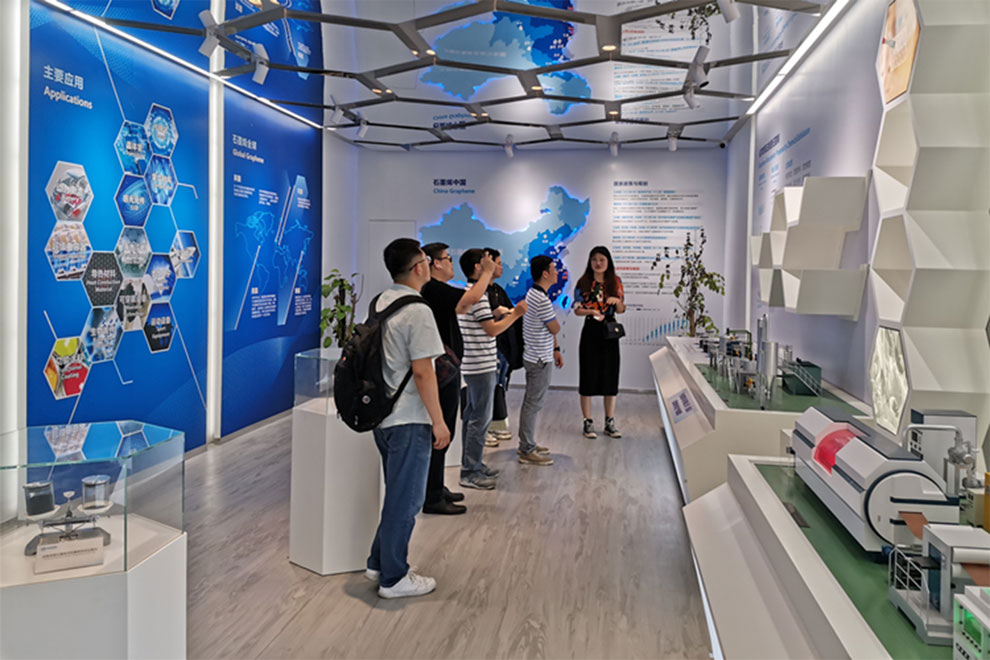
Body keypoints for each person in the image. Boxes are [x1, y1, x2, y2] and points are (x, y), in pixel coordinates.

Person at [366, 238, 449, 599]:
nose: (430, 264)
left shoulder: (381, 301)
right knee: (407, 500)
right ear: (418, 268)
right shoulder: (418, 310)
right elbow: (423, 372)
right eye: (427, 260)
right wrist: (439, 421)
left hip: (384, 417)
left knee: (397, 495)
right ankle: (394, 578)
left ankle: (378, 562)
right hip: (409, 419)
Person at [419, 242, 496, 514]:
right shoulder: (434, 289)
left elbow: (462, 306)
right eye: (447, 258)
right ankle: (432, 496)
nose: (451, 263)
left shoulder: (439, 290)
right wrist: (487, 272)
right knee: (441, 435)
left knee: (447, 432)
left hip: (447, 369)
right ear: (436, 263)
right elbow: (470, 299)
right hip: (441, 371)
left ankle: (436, 487)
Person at [457, 248, 527, 489]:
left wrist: (498, 314)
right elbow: (492, 330)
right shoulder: (478, 296)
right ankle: (470, 471)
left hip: (476, 364)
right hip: (480, 365)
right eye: (490, 262)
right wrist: (516, 314)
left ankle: (473, 465)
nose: (496, 266)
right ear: (478, 267)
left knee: (473, 416)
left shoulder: (473, 295)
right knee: (479, 419)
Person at [573, 245, 626, 439]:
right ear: (590, 261)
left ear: (608, 262)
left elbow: (621, 309)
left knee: (610, 375)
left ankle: (609, 421)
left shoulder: (615, 281)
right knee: (588, 374)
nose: (598, 263)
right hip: (590, 330)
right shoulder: (583, 282)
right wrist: (591, 311)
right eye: (594, 259)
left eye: (602, 260)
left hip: (610, 331)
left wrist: (616, 302)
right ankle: (588, 422)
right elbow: (577, 309)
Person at [517, 255, 562, 466]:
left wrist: (555, 348)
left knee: (532, 403)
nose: (556, 272)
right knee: (532, 404)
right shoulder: (541, 299)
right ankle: (526, 448)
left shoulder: (534, 294)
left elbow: (551, 330)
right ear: (545, 274)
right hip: (538, 358)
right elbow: (555, 327)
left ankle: (528, 443)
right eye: (553, 269)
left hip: (537, 355)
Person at [482, 247, 523, 448]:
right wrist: (496, 313)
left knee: (499, 386)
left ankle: (496, 423)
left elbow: (510, 312)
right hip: (487, 349)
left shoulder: (498, 290)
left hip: (503, 346)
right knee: (487, 388)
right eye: (497, 263)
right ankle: (484, 429)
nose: (501, 267)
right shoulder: (479, 292)